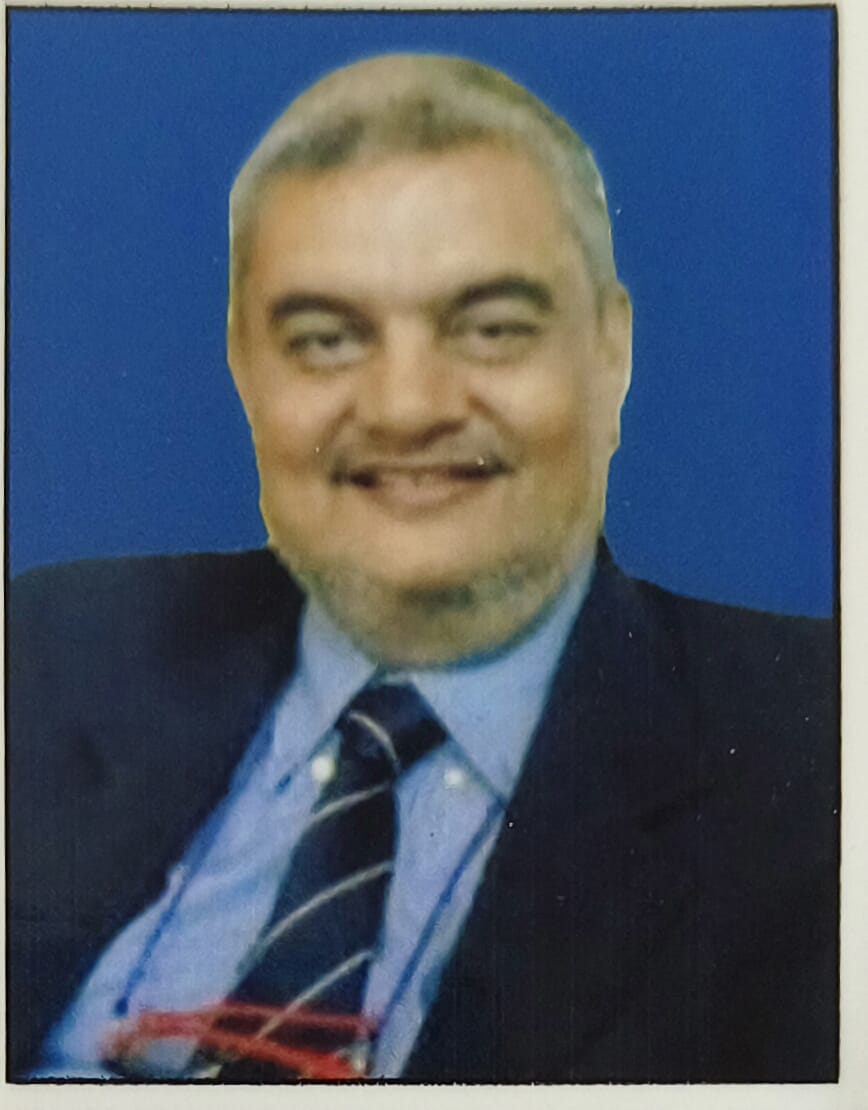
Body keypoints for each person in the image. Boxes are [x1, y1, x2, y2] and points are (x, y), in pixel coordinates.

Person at [8, 53, 838, 1083]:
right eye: (325, 339)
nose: (407, 407)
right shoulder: (45, 650)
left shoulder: (814, 749)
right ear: (243, 365)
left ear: (611, 351)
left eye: (491, 329)